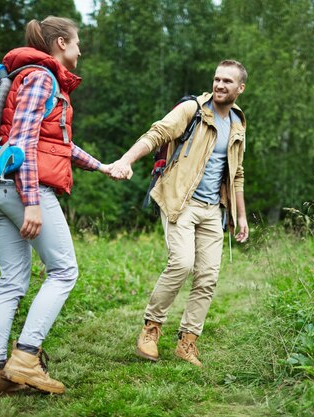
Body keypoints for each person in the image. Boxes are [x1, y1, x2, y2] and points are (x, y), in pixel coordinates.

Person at [0, 16, 113, 394]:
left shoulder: (33, 77)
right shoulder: (40, 77)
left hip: (2, 190)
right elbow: (22, 142)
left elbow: (58, 144)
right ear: (61, 43)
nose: (81, 50)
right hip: (24, 189)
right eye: (77, 42)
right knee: (65, 271)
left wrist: (103, 167)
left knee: (11, 282)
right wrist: (32, 202)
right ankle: (25, 357)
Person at [110, 60, 249, 367]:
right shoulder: (192, 111)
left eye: (228, 81)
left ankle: (187, 342)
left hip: (214, 210)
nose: (220, 85)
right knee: (182, 263)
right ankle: (152, 328)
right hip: (180, 201)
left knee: (208, 276)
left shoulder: (238, 123)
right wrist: (126, 159)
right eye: (217, 79)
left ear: (240, 88)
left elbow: (237, 173)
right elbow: (156, 134)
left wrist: (241, 215)